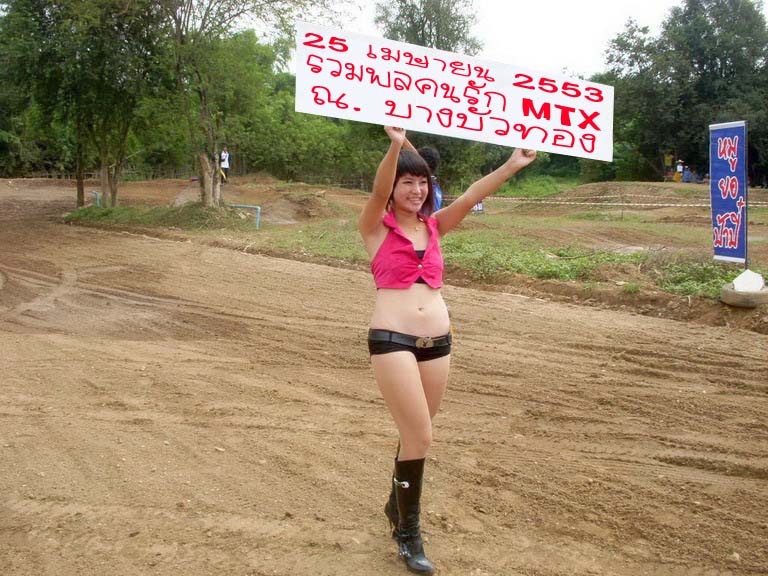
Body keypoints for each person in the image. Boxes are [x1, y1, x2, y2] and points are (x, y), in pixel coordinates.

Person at [358, 126, 536, 574]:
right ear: (393, 187)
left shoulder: (435, 225)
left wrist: (513, 164)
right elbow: (378, 190)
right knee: (421, 436)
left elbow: (473, 193)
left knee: (415, 434)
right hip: (392, 339)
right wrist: (396, 144)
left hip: (439, 343)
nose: (416, 190)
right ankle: (408, 533)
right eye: (407, 182)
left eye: (422, 182)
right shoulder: (375, 226)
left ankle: (395, 503)